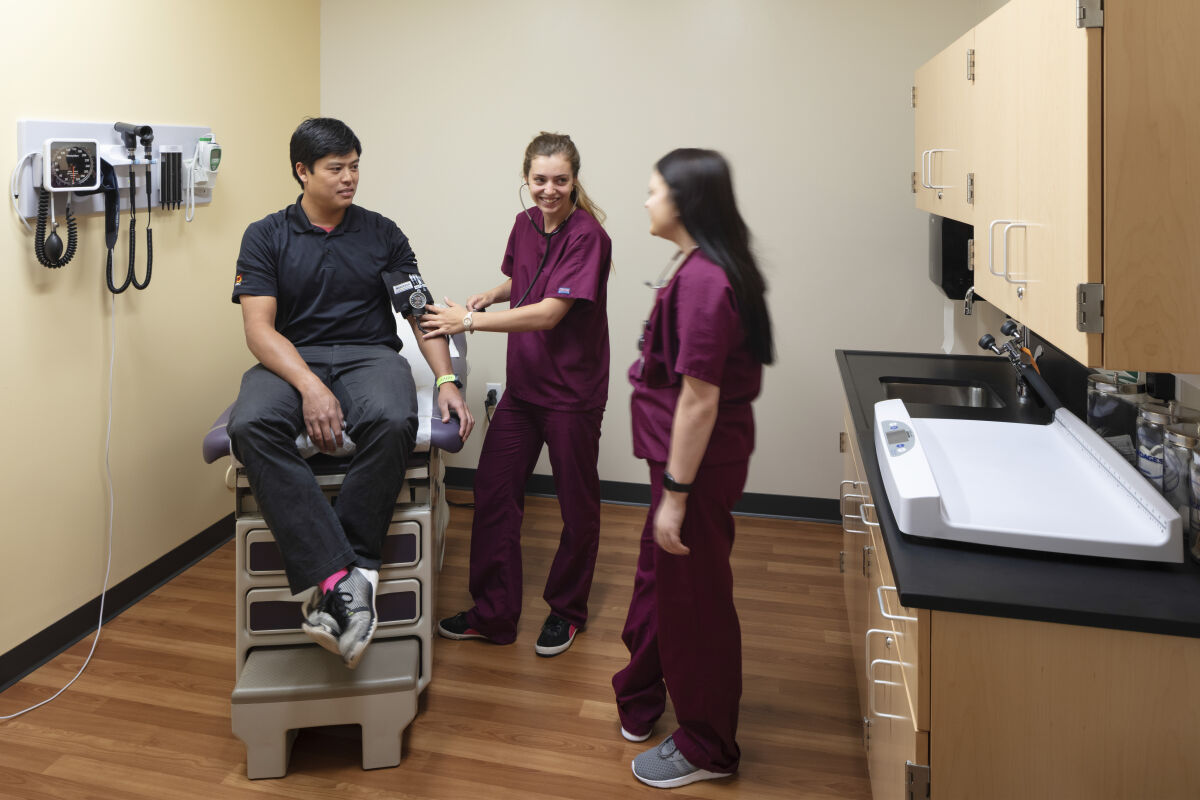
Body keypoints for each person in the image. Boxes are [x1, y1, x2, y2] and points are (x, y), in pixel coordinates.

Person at [227, 117, 473, 669]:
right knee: (250, 426)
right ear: (302, 171)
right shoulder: (265, 235)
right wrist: (311, 387)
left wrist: (446, 379)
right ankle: (343, 577)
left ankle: (352, 565)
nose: (349, 178)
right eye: (336, 168)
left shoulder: (383, 233)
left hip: (369, 356)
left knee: (390, 417)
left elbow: (418, 314)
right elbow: (259, 330)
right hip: (294, 358)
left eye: (355, 166)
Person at [612, 149, 774, 789]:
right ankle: (643, 689)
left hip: (694, 468)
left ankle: (710, 745)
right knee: (663, 583)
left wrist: (675, 496)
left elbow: (700, 399)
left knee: (696, 603)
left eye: (653, 192)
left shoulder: (707, 281)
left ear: (684, 202)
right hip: (681, 461)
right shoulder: (696, 263)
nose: (646, 202)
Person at [421, 132, 611, 657]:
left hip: (573, 392)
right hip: (525, 391)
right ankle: (494, 614)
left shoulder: (589, 235)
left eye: (560, 180)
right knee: (494, 491)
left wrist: (471, 319)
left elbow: (551, 311)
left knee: (577, 507)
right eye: (539, 180)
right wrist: (493, 291)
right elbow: (525, 278)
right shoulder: (524, 224)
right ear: (526, 179)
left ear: (575, 181)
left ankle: (567, 611)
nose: (549, 190)